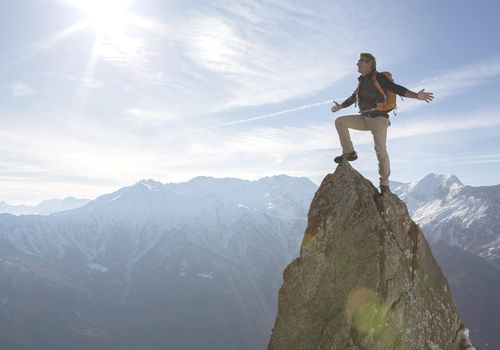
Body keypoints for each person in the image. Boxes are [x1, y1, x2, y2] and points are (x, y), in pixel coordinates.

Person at [331, 52, 434, 195]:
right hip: (364, 118)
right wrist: (341, 106)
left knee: (380, 149)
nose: (357, 63)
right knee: (340, 121)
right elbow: (353, 97)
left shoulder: (378, 77)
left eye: (361, 61)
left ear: (370, 64)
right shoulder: (362, 81)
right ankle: (349, 152)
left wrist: (416, 95)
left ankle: (384, 183)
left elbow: (396, 88)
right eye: (358, 61)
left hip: (379, 120)